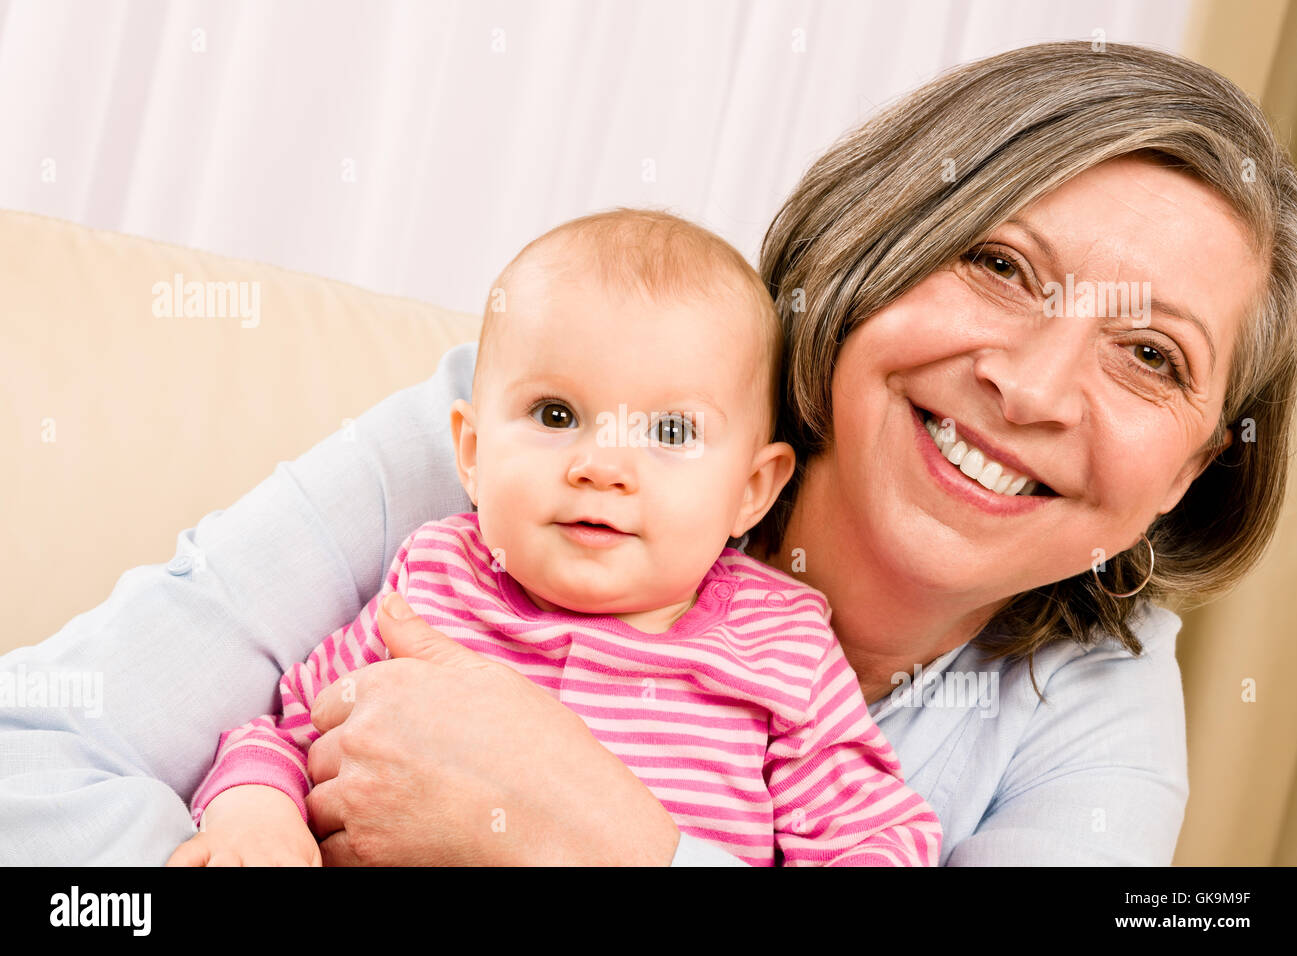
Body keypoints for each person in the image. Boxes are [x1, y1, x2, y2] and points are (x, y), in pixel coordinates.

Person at [3, 41, 1297, 866]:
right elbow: (31, 769)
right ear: (870, 250)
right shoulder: (523, 451)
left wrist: (611, 843)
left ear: (1193, 477)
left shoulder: (1096, 705)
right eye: (1000, 265)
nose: (1030, 383)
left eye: (1154, 359)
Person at [165, 209, 942, 867]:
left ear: (751, 490)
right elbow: (287, 726)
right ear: (472, 452)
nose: (601, 466)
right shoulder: (437, 583)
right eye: (556, 415)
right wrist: (255, 813)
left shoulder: (782, 647)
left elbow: (878, 839)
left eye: (670, 430)